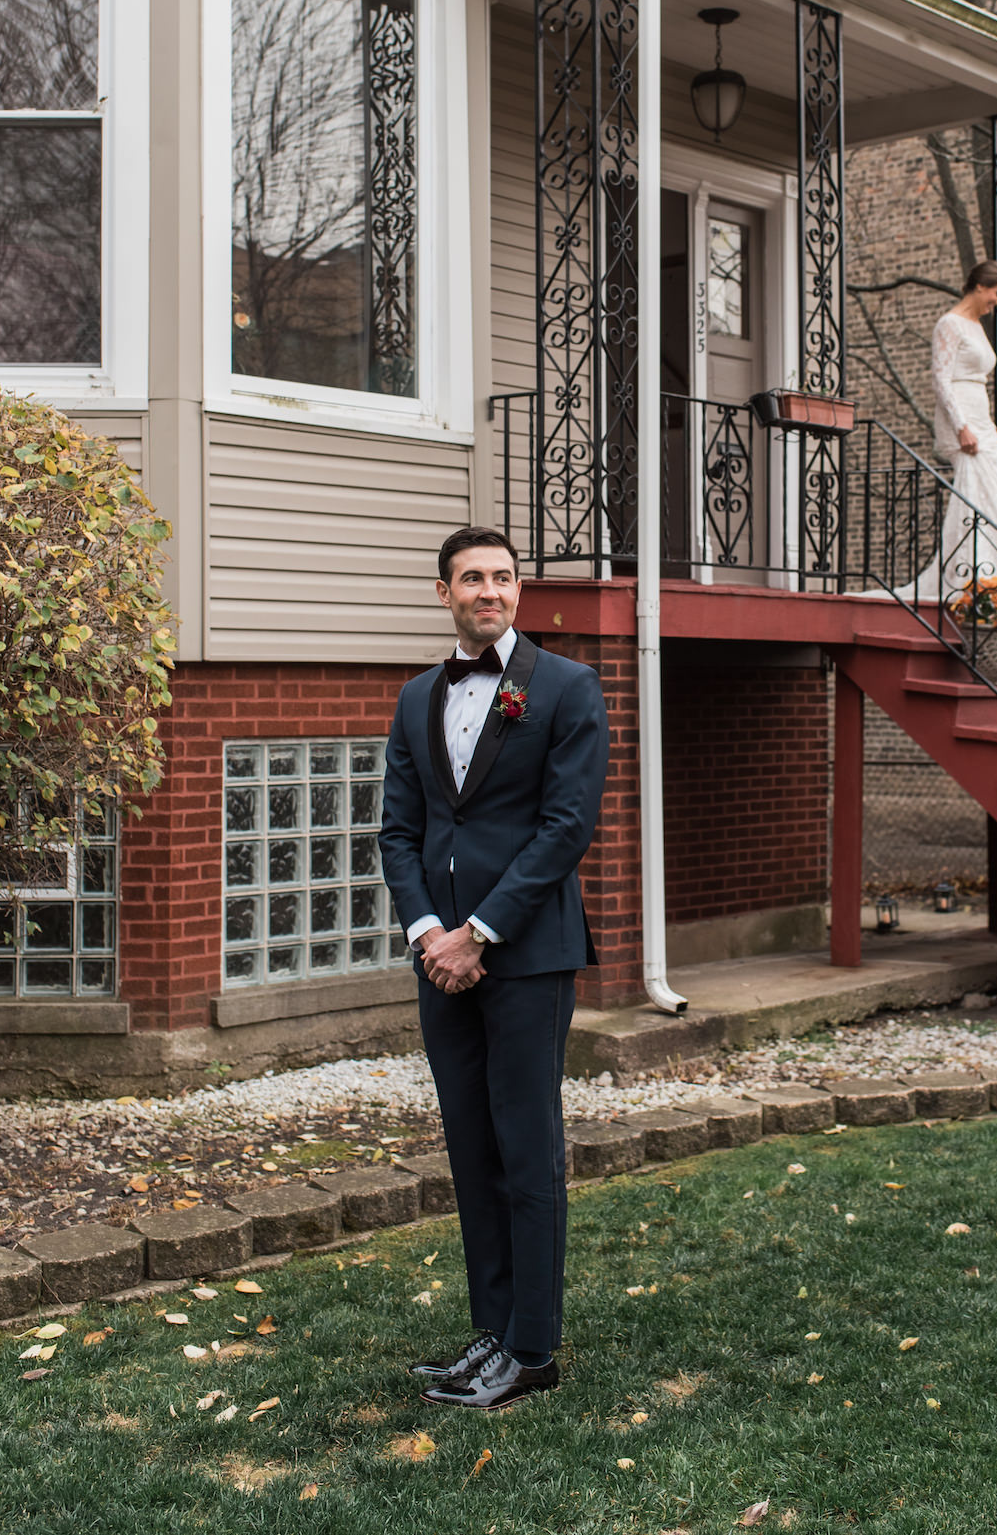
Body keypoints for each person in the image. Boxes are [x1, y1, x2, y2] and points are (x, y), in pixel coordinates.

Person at [378, 525, 609, 1411]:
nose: (490, 589)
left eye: (504, 576)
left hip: (527, 955)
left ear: (518, 590)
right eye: (472, 577)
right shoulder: (412, 700)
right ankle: (493, 1333)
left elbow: (565, 829)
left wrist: (480, 931)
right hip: (439, 962)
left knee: (527, 1149)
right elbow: (400, 832)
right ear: (444, 592)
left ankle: (535, 1350)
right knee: (472, 1149)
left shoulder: (564, 687)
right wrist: (431, 931)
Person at [896, 259, 997, 601]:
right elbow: (941, 378)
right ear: (979, 287)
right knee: (976, 493)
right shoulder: (950, 324)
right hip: (962, 418)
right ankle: (969, 579)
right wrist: (962, 427)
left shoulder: (976, 325)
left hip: (981, 415)